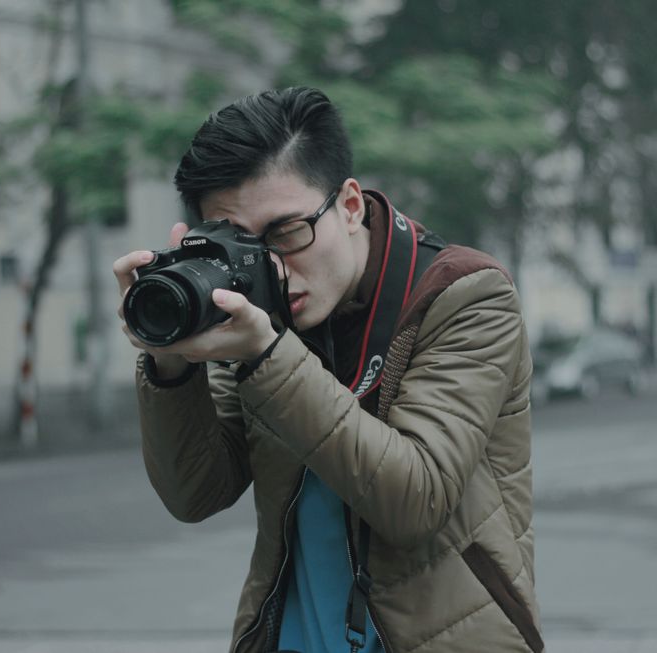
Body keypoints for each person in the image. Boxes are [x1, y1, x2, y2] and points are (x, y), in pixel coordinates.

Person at [114, 87, 542, 652]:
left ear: (349, 204)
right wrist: (170, 361)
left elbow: (417, 500)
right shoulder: (255, 313)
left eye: (287, 233)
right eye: (241, 244)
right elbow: (195, 494)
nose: (274, 268)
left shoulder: (465, 295)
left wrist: (269, 355)